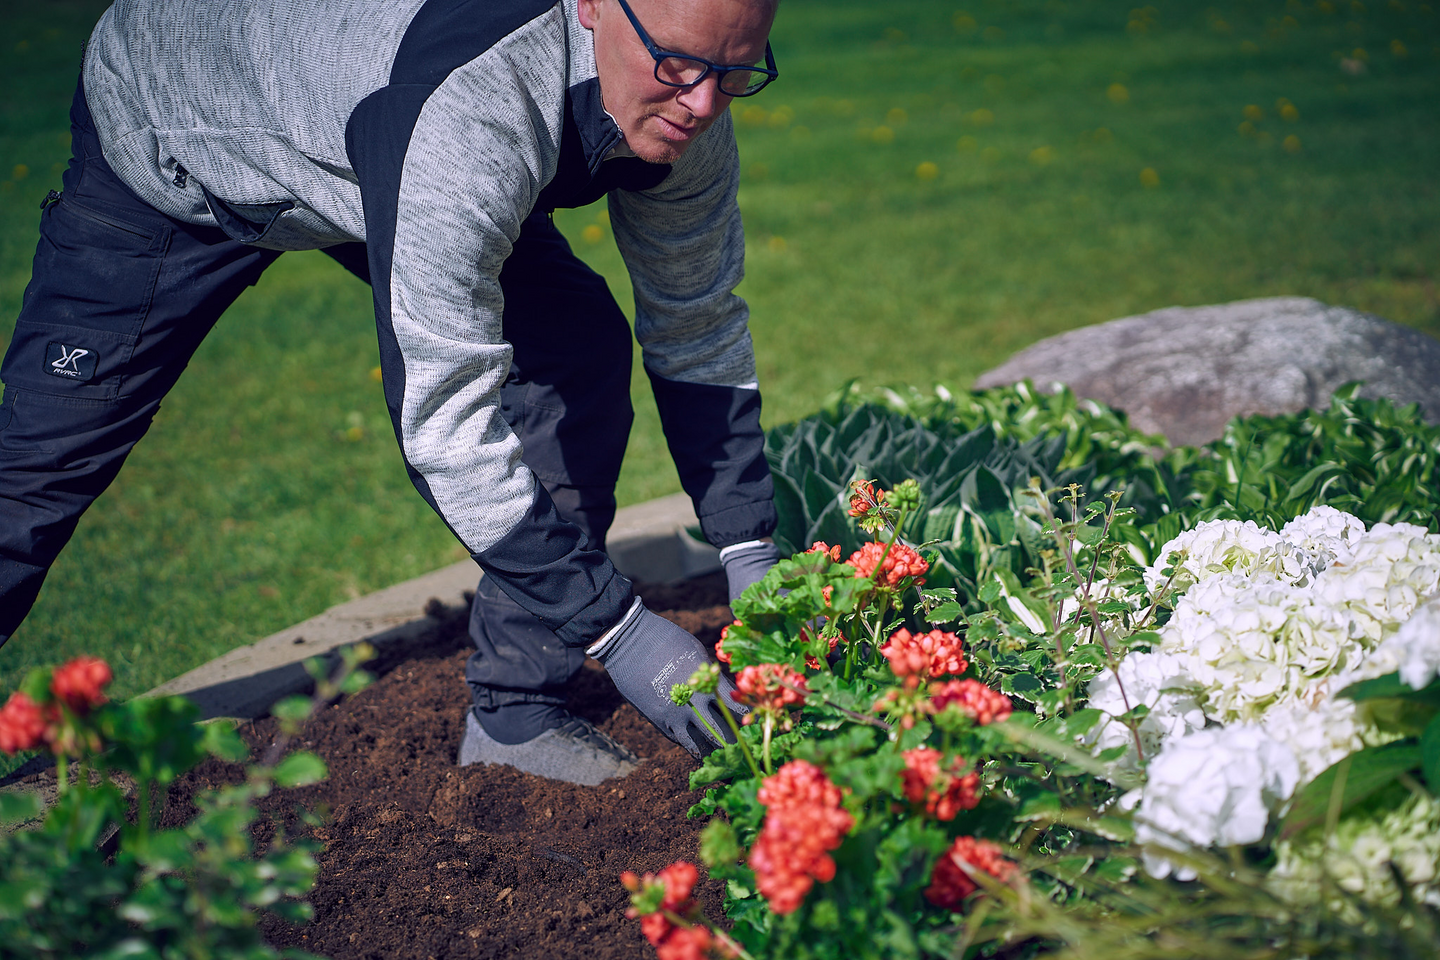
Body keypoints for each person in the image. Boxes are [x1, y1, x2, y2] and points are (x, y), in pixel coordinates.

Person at [0, 0, 784, 785]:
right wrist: (621, 635)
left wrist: (750, 549)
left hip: (370, 128)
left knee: (573, 351)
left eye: (735, 71)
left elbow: (697, 325)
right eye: (677, 63)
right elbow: (446, 426)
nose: (705, 104)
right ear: (590, 6)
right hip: (177, 131)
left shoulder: (687, 107)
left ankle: (515, 715)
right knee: (39, 465)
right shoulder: (469, 112)